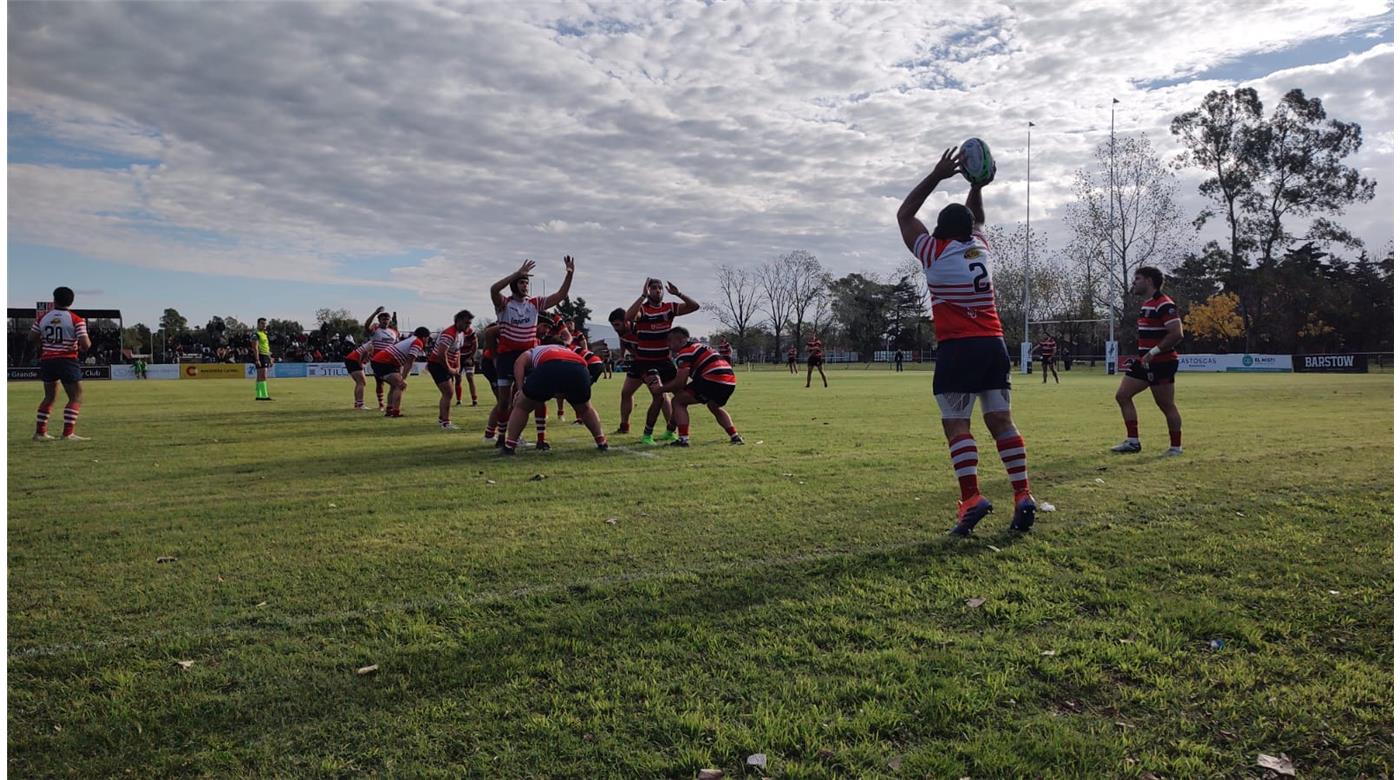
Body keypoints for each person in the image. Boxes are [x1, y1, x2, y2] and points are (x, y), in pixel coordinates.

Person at [898, 146, 1038, 535]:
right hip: (993, 344)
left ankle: (972, 498)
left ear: (941, 230)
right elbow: (976, 218)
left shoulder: (932, 252)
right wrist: (977, 185)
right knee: (1002, 423)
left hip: (958, 348)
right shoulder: (982, 248)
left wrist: (937, 175)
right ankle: (1023, 494)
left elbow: (905, 214)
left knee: (958, 426)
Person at [488, 257, 575, 447]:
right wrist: (516, 273)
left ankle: (540, 440)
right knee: (504, 402)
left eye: (527, 282)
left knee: (538, 396)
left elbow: (560, 295)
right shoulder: (504, 304)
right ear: (514, 285)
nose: (525, 285)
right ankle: (502, 437)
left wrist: (569, 274)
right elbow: (493, 289)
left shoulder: (534, 304)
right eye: (521, 281)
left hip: (529, 356)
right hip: (507, 357)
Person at [1111, 267, 1184, 456]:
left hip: (1162, 362)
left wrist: (1155, 351)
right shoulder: (1147, 304)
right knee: (1122, 395)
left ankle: (1176, 447)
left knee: (1166, 405)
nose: (1134, 282)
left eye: (1138, 279)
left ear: (1149, 281)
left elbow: (1177, 333)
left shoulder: (1164, 304)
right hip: (1144, 361)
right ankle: (1133, 442)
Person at [625, 278, 700, 444]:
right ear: (648, 290)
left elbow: (695, 306)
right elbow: (628, 317)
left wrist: (679, 293)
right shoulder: (643, 309)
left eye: (659, 288)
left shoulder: (669, 308)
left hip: (665, 361)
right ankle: (647, 435)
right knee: (658, 397)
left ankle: (670, 431)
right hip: (646, 362)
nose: (657, 290)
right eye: (653, 288)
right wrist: (642, 295)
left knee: (681, 396)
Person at [500, 342, 609, 455]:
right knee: (586, 409)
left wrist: (520, 388)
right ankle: (601, 441)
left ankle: (510, 445)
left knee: (522, 406)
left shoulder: (533, 350)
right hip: (579, 368)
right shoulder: (568, 350)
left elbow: (519, 363)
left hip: (549, 366)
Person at [645, 326, 743, 446]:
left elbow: (680, 382)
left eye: (670, 341)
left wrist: (660, 389)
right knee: (714, 406)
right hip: (729, 381)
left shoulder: (685, 353)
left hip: (712, 378)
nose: (668, 344)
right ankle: (735, 436)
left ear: (681, 340)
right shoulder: (699, 346)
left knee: (678, 401)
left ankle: (683, 439)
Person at [30, 286, 92, 441]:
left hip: (47, 360)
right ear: (71, 301)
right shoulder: (76, 319)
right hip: (67, 360)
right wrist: (79, 345)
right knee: (76, 397)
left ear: (54, 300)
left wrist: (44, 345)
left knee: (49, 397)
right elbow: (86, 344)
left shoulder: (43, 318)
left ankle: (40, 433)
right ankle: (67, 433)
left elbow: (31, 338)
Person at [370, 327, 431, 418]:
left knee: (395, 386)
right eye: (428, 338)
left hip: (381, 361)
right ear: (425, 337)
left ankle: (390, 410)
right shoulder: (418, 342)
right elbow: (409, 361)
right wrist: (403, 378)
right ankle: (395, 412)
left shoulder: (412, 339)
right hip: (384, 362)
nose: (428, 341)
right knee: (400, 385)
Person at [427, 310, 473, 430]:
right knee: (448, 392)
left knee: (447, 393)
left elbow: (457, 351)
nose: (468, 326)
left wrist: (456, 366)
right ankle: (445, 423)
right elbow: (441, 354)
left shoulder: (461, 334)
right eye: (466, 323)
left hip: (445, 365)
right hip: (437, 364)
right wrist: (449, 369)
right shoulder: (449, 333)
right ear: (458, 321)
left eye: (469, 323)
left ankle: (442, 419)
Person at [609, 307, 644, 433]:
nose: (615, 328)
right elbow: (622, 340)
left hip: (650, 363)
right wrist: (622, 356)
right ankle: (624, 426)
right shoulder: (621, 332)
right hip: (637, 363)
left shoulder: (639, 329)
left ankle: (671, 429)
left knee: (659, 395)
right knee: (626, 393)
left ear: (627, 321)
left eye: (617, 324)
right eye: (613, 325)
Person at [365, 307, 399, 409]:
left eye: (387, 319)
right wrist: (375, 313)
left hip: (391, 361)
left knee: (395, 383)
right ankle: (381, 404)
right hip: (378, 361)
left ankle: (391, 404)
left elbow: (396, 345)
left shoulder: (394, 332)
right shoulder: (375, 330)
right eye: (383, 319)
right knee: (380, 382)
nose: (385, 321)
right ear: (379, 320)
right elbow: (366, 326)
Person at [343, 335, 378, 410]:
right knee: (362, 382)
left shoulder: (372, 343)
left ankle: (357, 403)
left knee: (359, 382)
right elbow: (364, 353)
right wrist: (360, 363)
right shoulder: (372, 344)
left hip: (351, 359)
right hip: (354, 360)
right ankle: (360, 404)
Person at [455, 318, 480, 407]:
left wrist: (470, 357)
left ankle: (474, 400)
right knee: (458, 379)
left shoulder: (472, 332)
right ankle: (459, 400)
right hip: (458, 357)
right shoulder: (456, 332)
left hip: (468, 356)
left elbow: (475, 345)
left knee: (470, 377)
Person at [251, 318, 273, 401]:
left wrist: (270, 358)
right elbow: (255, 347)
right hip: (260, 356)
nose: (264, 325)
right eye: (262, 323)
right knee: (263, 376)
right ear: (258, 324)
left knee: (260, 377)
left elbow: (267, 348)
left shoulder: (264, 334)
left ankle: (259, 395)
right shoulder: (256, 334)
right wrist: (257, 359)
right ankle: (264, 395)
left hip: (265, 355)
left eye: (265, 323)